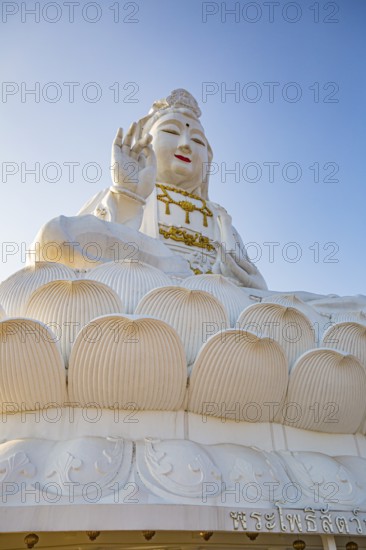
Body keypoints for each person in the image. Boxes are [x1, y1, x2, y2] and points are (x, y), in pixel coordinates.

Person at [31, 89, 267, 289]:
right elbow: (81, 249)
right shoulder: (119, 193)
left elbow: (252, 284)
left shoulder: (220, 217)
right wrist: (128, 196)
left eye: (197, 141)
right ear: (146, 143)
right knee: (53, 236)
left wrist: (244, 279)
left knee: (303, 304)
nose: (185, 145)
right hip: (145, 284)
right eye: (171, 132)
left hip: (220, 296)